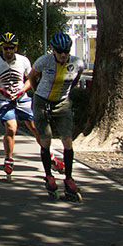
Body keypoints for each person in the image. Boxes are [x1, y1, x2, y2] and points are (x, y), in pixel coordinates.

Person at [30, 32, 85, 200]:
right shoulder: (44, 61)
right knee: (45, 140)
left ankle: (68, 178)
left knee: (67, 140)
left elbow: (76, 79)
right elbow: (32, 77)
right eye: (60, 51)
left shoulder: (76, 63)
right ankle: (49, 176)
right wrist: (37, 93)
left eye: (66, 51)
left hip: (62, 102)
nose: (63, 55)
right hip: (42, 100)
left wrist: (66, 93)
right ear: (53, 51)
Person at [0, 32, 35, 180]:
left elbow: (30, 79)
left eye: (11, 48)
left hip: (22, 98)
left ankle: (48, 153)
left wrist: (22, 91)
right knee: (12, 128)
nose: (9, 51)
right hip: (4, 100)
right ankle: (8, 159)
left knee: (35, 127)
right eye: (6, 48)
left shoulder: (24, 61)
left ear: (16, 48)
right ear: (1, 49)